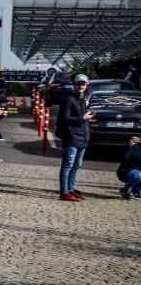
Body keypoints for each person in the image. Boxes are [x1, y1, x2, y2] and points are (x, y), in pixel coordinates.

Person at [55, 73, 95, 201]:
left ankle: (71, 189)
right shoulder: (68, 98)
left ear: (86, 85)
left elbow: (82, 118)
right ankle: (64, 192)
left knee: (76, 166)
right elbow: (65, 118)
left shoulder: (83, 98)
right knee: (67, 165)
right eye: (79, 84)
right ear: (74, 84)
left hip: (83, 137)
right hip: (71, 136)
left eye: (83, 84)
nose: (81, 86)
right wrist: (83, 118)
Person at [118, 135, 141, 199]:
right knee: (137, 175)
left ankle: (137, 188)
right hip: (127, 171)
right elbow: (125, 158)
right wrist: (130, 147)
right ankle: (125, 190)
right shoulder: (134, 147)